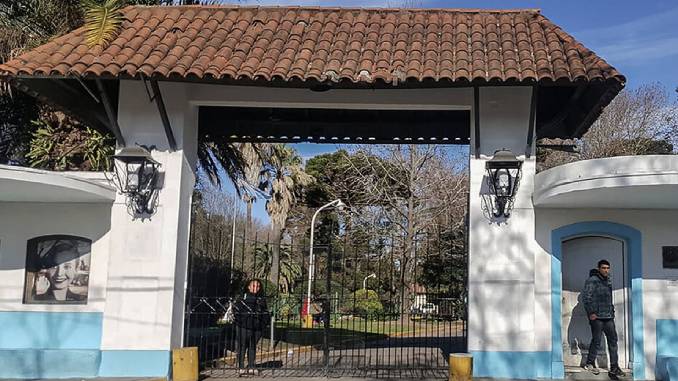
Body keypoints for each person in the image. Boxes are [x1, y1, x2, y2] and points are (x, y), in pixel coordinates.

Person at [582, 259, 625, 377]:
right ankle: (590, 363)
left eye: (607, 268)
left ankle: (614, 367)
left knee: (613, 340)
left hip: (608, 316)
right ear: (599, 268)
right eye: (603, 268)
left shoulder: (608, 280)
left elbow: (608, 297)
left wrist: (612, 310)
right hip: (597, 317)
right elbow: (586, 297)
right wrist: (591, 312)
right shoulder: (592, 281)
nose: (606, 270)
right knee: (596, 340)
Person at [233, 279, 269, 376]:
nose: (256, 288)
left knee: (252, 346)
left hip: (257, 327)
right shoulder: (243, 297)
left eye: (258, 286)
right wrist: (241, 321)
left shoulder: (261, 299)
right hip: (244, 326)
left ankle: (251, 366)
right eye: (253, 286)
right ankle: (241, 366)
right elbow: (236, 310)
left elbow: (265, 312)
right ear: (248, 287)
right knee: (242, 346)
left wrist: (264, 324)